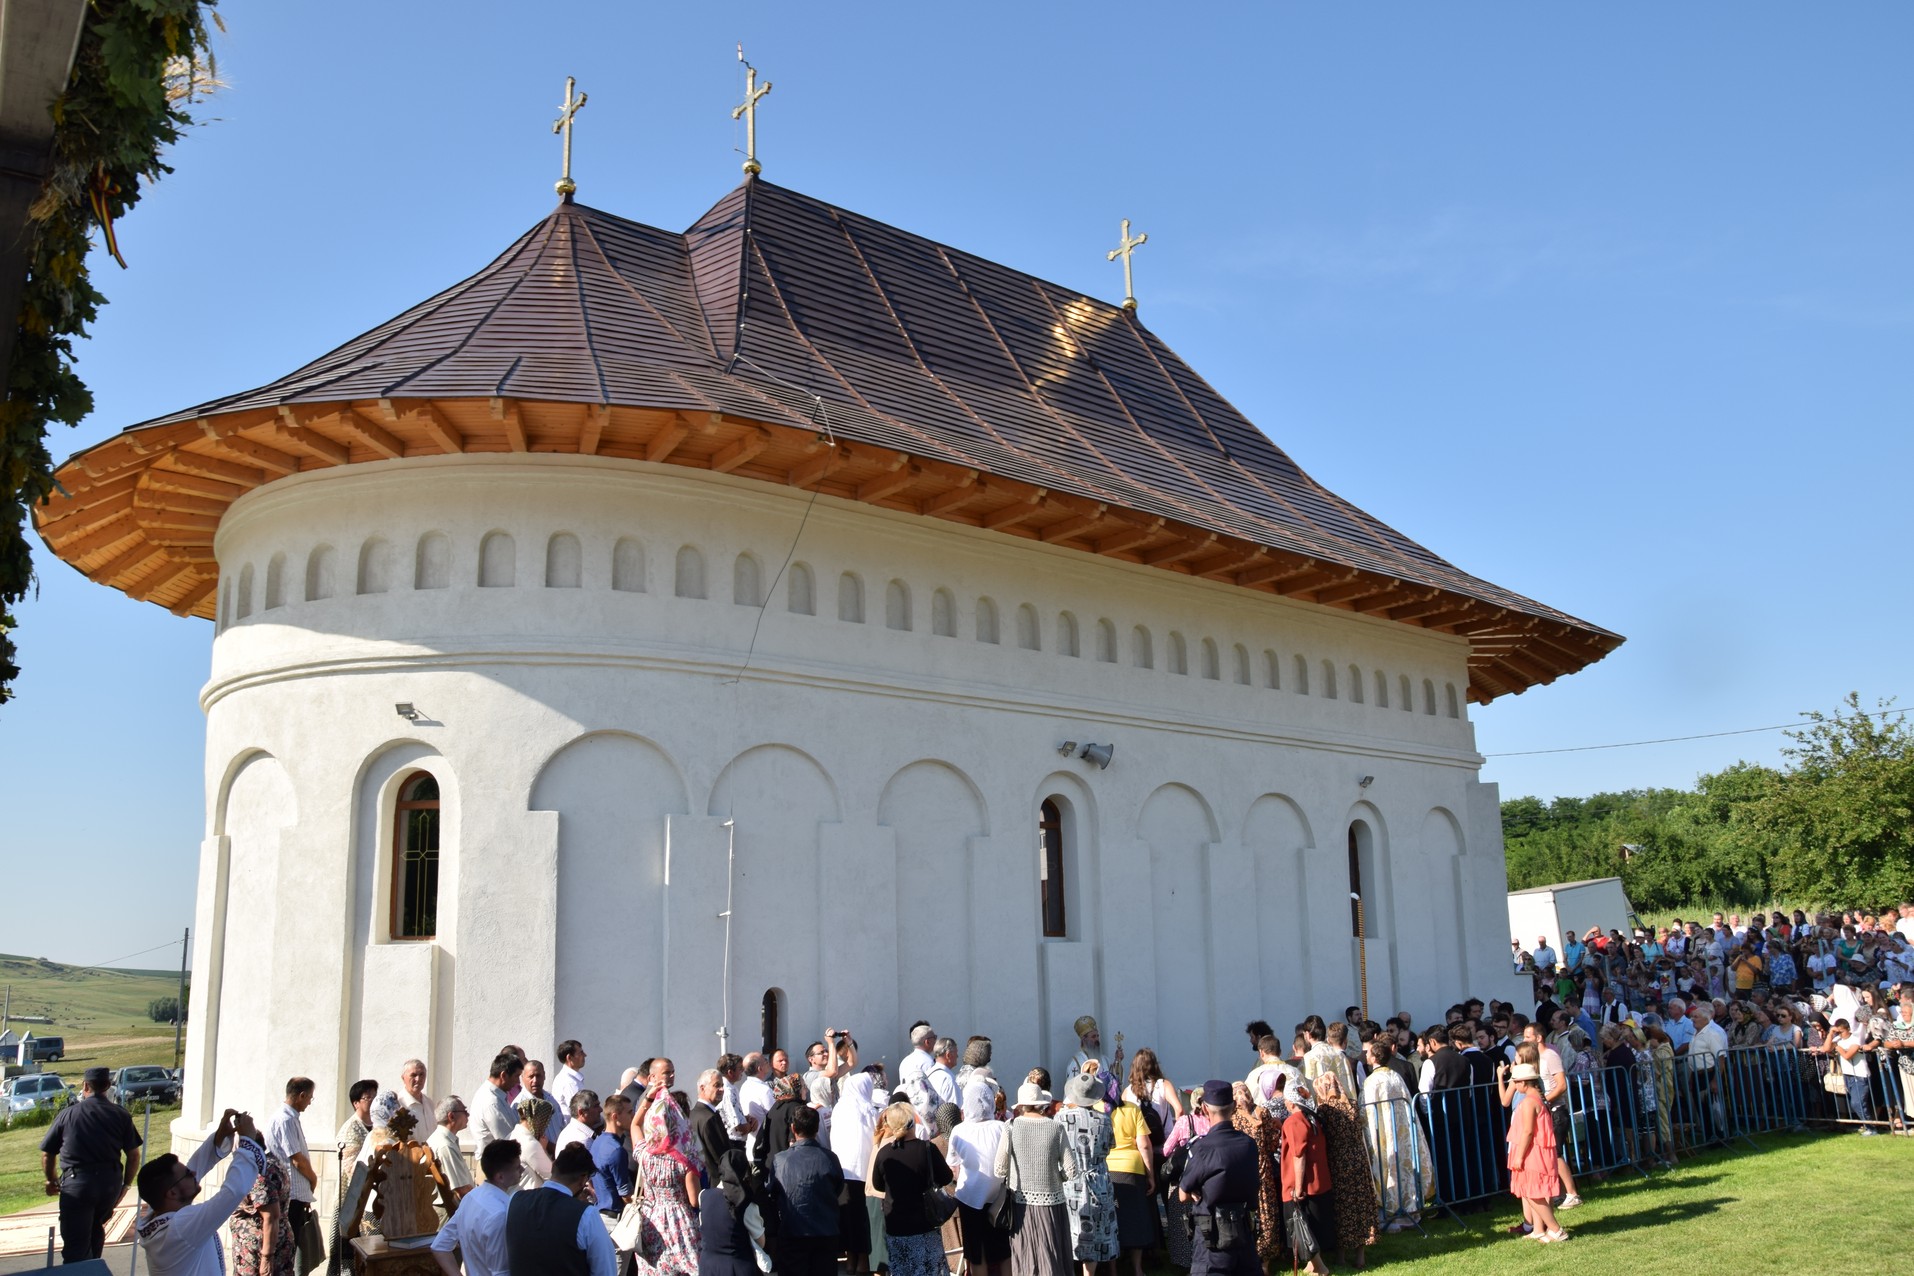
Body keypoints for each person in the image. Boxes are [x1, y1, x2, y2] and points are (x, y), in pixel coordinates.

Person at [135, 1109, 268, 1276]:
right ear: (172, 1194)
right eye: (187, 1174)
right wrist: (247, 1143)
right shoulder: (181, 1227)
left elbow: (194, 1166)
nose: (194, 1174)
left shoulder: (158, 1214)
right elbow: (234, 1191)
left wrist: (218, 1139)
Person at [40, 1066, 143, 1262]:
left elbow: (47, 1154)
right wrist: (126, 1185)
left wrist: (51, 1180)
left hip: (78, 1184)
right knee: (96, 1228)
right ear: (108, 1086)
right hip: (109, 1184)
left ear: (85, 1086)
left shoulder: (68, 1114)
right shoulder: (120, 1114)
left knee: (76, 1246)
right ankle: (94, 1264)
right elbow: (133, 1155)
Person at [1176, 1080, 1259, 1276]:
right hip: (1243, 1232)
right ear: (1233, 1107)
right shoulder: (1248, 1144)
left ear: (1204, 1108)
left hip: (1211, 1240)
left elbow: (1182, 1194)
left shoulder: (1203, 1148)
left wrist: (1198, 1190)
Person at [870, 1101, 957, 1276]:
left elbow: (878, 1185)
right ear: (911, 1122)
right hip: (924, 1223)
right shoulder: (927, 1149)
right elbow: (947, 1177)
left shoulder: (884, 1153)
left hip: (896, 1226)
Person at [505, 1142, 617, 1276]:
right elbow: (605, 1271)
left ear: (553, 1167)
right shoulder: (586, 1215)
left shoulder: (515, 1200)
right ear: (583, 1180)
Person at [634, 1060, 702, 1276]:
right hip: (680, 1222)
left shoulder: (644, 1154)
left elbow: (634, 1125)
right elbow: (694, 1199)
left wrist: (648, 1099)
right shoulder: (685, 1159)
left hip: (651, 1220)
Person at [995, 1081, 1070, 1276]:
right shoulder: (1056, 1127)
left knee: (1025, 1253)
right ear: (1041, 1103)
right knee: (1051, 1253)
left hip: (1021, 1203)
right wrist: (1056, 1177)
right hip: (1052, 1203)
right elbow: (1072, 1170)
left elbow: (999, 1169)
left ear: (1020, 1105)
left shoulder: (1010, 1127)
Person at [1360, 1039, 1430, 1229]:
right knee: (1403, 1171)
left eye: (1368, 1053)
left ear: (1374, 1057)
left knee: (1386, 1171)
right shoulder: (1395, 1076)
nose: (1365, 1055)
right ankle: (1410, 1213)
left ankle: (1391, 1218)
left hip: (1382, 1135)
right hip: (1402, 1133)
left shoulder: (1371, 1081)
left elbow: (1365, 1113)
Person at [1308, 1073, 1375, 1269]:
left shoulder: (1325, 1109)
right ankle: (1361, 1256)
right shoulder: (1352, 1104)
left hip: (1337, 1161)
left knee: (1341, 1207)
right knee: (1359, 1204)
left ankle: (1341, 1256)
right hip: (1358, 1158)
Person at [771, 1104, 845, 1276]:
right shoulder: (829, 1158)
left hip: (793, 1232)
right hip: (824, 1232)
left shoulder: (780, 1160)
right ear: (817, 1128)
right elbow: (838, 1187)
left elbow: (773, 1192)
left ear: (793, 1128)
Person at [1056, 1071, 1117, 1274]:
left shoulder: (1061, 1118)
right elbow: (1109, 1147)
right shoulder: (1105, 1120)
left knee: (1069, 1230)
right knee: (1095, 1232)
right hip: (1097, 1181)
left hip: (1069, 1181)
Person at [947, 1085, 1010, 1276]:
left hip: (970, 1197)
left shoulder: (959, 1130)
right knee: (1004, 1250)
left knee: (976, 1252)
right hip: (999, 1197)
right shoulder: (1002, 1127)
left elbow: (953, 1164)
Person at [432, 1140, 521, 1276]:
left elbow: (440, 1246)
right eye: (517, 1167)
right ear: (500, 1176)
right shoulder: (500, 1214)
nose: (522, 1170)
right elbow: (500, 1272)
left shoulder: (472, 1196)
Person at [830, 1070, 885, 1273]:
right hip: (864, 1171)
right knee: (863, 1219)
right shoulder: (869, 1109)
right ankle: (863, 1261)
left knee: (848, 1217)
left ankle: (851, 1260)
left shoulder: (839, 1108)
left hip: (843, 1171)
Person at [1504, 1064, 1566, 1243]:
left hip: (1532, 1152)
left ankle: (1556, 1229)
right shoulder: (1536, 1099)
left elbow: (1528, 1132)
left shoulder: (1529, 1102)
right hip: (1535, 1151)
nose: (1515, 1086)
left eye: (1515, 1082)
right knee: (1532, 1192)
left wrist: (1519, 1156)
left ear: (1523, 1082)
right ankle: (1544, 1230)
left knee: (1533, 1193)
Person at [1158, 1088, 1213, 1269]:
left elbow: (1166, 1150)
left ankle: (1184, 1260)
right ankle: (1206, 1258)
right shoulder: (1213, 1122)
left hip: (1184, 1178)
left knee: (1180, 1220)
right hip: (1207, 1179)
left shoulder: (1184, 1122)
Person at [231, 1128, 295, 1276]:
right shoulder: (271, 1162)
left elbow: (271, 1216)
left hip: (260, 1251)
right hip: (268, 1245)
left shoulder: (260, 1172)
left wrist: (266, 1258)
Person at [265, 1077, 318, 1252]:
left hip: (295, 1193)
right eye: (310, 1097)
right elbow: (296, 1159)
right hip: (291, 1194)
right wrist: (312, 1179)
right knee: (287, 1247)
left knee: (292, 1246)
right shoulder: (285, 1120)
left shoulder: (291, 1118)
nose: (310, 1102)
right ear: (301, 1095)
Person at [590, 1093, 635, 1217]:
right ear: (615, 1116)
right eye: (629, 1112)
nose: (633, 1116)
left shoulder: (597, 1142)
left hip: (600, 1212)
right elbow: (625, 1194)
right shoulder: (616, 1150)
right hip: (614, 1217)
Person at [474, 1052, 524, 1153]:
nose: (518, 1082)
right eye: (516, 1076)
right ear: (504, 1075)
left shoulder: (495, 1096)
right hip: (496, 1165)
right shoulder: (491, 1102)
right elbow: (508, 1142)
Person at [430, 1097, 477, 1199]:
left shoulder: (443, 1140)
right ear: (451, 1116)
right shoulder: (445, 1146)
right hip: (448, 1210)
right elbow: (461, 1190)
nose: (468, 1115)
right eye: (464, 1111)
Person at [513, 1096, 556, 1188]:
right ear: (538, 1119)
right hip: (530, 1198)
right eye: (545, 1120)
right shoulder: (530, 1144)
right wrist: (543, 1149)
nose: (546, 1124)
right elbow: (553, 1177)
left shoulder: (512, 1135)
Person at [336, 1079, 378, 1166]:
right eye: (368, 1097)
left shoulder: (378, 1124)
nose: (373, 1101)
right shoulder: (350, 1130)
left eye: (375, 1097)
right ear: (356, 1103)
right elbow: (350, 1167)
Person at [556, 1089, 601, 1158]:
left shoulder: (570, 1131)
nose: (601, 1110)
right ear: (581, 1112)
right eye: (596, 1106)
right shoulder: (583, 1141)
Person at [400, 1058, 436, 1134]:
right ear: (403, 1078)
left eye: (421, 1075)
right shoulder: (398, 1104)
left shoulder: (430, 1103)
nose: (418, 1079)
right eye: (413, 1075)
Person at [552, 1039, 588, 1113]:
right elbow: (580, 1111)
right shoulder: (569, 1082)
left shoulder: (570, 1078)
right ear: (569, 1058)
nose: (585, 1055)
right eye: (580, 1053)